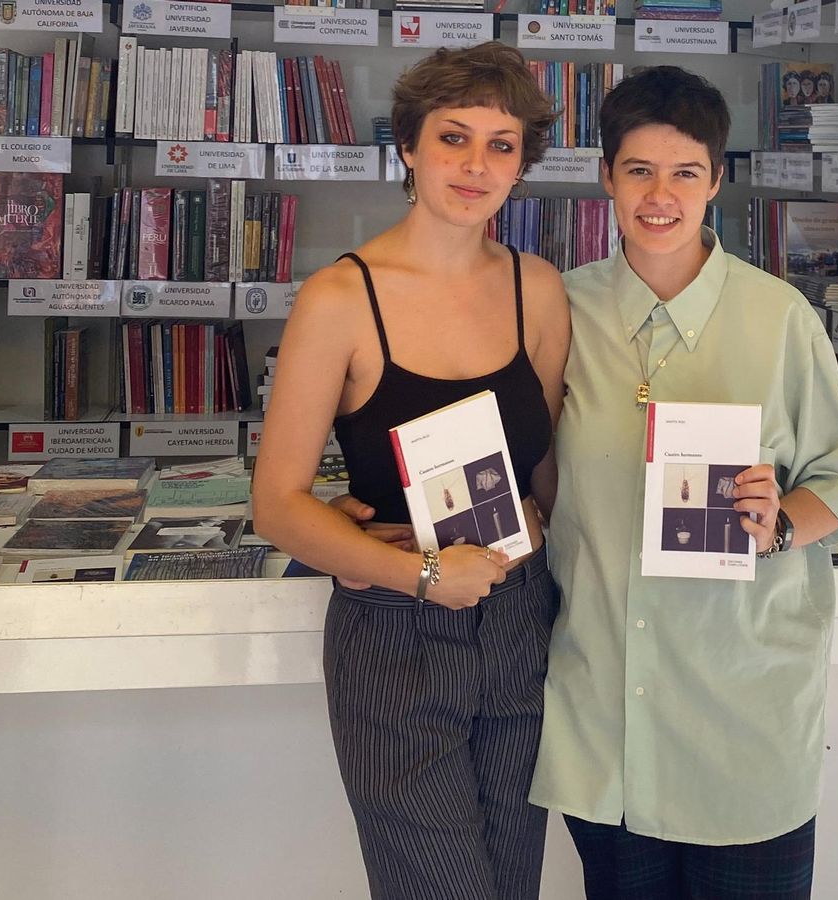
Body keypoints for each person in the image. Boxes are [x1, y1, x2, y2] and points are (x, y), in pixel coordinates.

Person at [527, 66, 838, 898]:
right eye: (638, 170)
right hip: (605, 706)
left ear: (717, 181)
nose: (660, 195)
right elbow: (529, 465)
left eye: (686, 173)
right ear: (606, 176)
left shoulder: (778, 316)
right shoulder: (560, 310)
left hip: (740, 705)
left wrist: (780, 520)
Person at [250, 42, 570, 900]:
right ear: (408, 147)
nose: (476, 164)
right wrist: (422, 574)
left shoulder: (536, 290)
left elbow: (544, 469)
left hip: (522, 625)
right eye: (453, 138)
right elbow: (278, 504)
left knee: (513, 883)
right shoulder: (339, 299)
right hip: (395, 632)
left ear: (523, 164)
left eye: (501, 145)